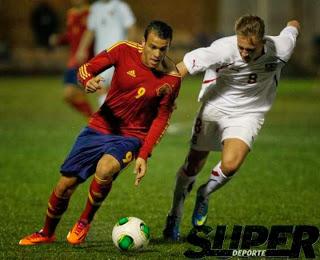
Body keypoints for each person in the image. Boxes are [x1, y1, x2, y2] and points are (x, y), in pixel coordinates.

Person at [19, 20, 181, 246]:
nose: (157, 54)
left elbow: (162, 118)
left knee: (105, 169)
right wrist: (87, 81)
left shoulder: (172, 78)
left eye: (163, 49)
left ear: (168, 47)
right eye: (152, 47)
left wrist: (144, 154)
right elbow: (85, 69)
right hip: (99, 127)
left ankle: (84, 221)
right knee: (64, 185)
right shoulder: (123, 50)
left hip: (131, 136)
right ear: (143, 42)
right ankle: (46, 232)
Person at [163, 15, 300, 241]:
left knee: (231, 164)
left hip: (248, 114)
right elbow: (185, 64)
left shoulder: (281, 48)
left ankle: (204, 193)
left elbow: (293, 27)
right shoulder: (223, 49)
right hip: (214, 107)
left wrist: (293, 22)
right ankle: (175, 214)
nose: (244, 53)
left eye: (250, 49)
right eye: (241, 47)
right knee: (193, 164)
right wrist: (163, 89)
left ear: (262, 42)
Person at [76, 0, 136, 106]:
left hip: (118, 55)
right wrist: (81, 49)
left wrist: (129, 49)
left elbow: (132, 28)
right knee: (101, 88)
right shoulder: (95, 8)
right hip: (101, 56)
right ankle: (109, 119)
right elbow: (90, 31)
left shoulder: (120, 6)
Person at [49, 0, 93, 118]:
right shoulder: (71, 14)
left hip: (87, 61)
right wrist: (59, 39)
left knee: (70, 93)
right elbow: (71, 35)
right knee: (69, 96)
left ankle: (95, 122)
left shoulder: (92, 13)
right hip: (73, 61)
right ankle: (94, 121)